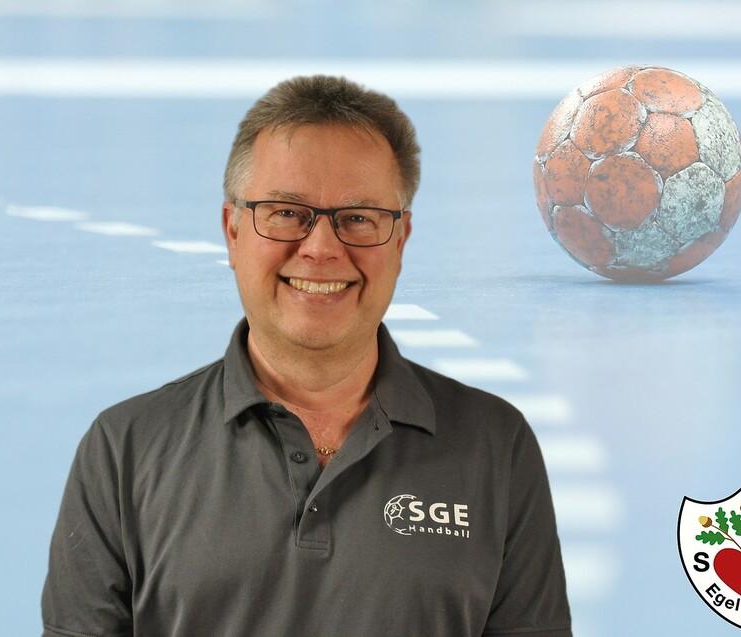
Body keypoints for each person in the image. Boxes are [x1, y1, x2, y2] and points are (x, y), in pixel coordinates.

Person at [41, 75, 572, 637]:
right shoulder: (124, 448)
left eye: (359, 218)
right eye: (287, 213)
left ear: (401, 239)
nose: (321, 248)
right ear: (233, 230)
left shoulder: (496, 444)